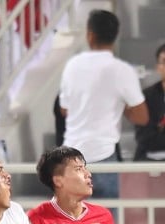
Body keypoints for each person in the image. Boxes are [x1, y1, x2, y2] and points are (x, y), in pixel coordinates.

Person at [58, 10, 148, 208]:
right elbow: (142, 117)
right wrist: (120, 103)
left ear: (90, 34)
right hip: (104, 155)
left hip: (71, 155)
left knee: (70, 223)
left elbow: (64, 110)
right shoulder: (122, 70)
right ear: (115, 36)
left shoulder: (72, 65)